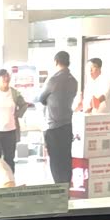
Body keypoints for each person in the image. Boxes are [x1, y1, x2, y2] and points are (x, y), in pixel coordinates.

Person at [38, 51, 78, 186]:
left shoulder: (53, 80)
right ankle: (67, 186)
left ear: (56, 62)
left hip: (54, 126)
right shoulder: (74, 81)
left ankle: (59, 188)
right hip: (67, 125)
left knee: (56, 161)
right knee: (66, 158)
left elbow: (41, 98)